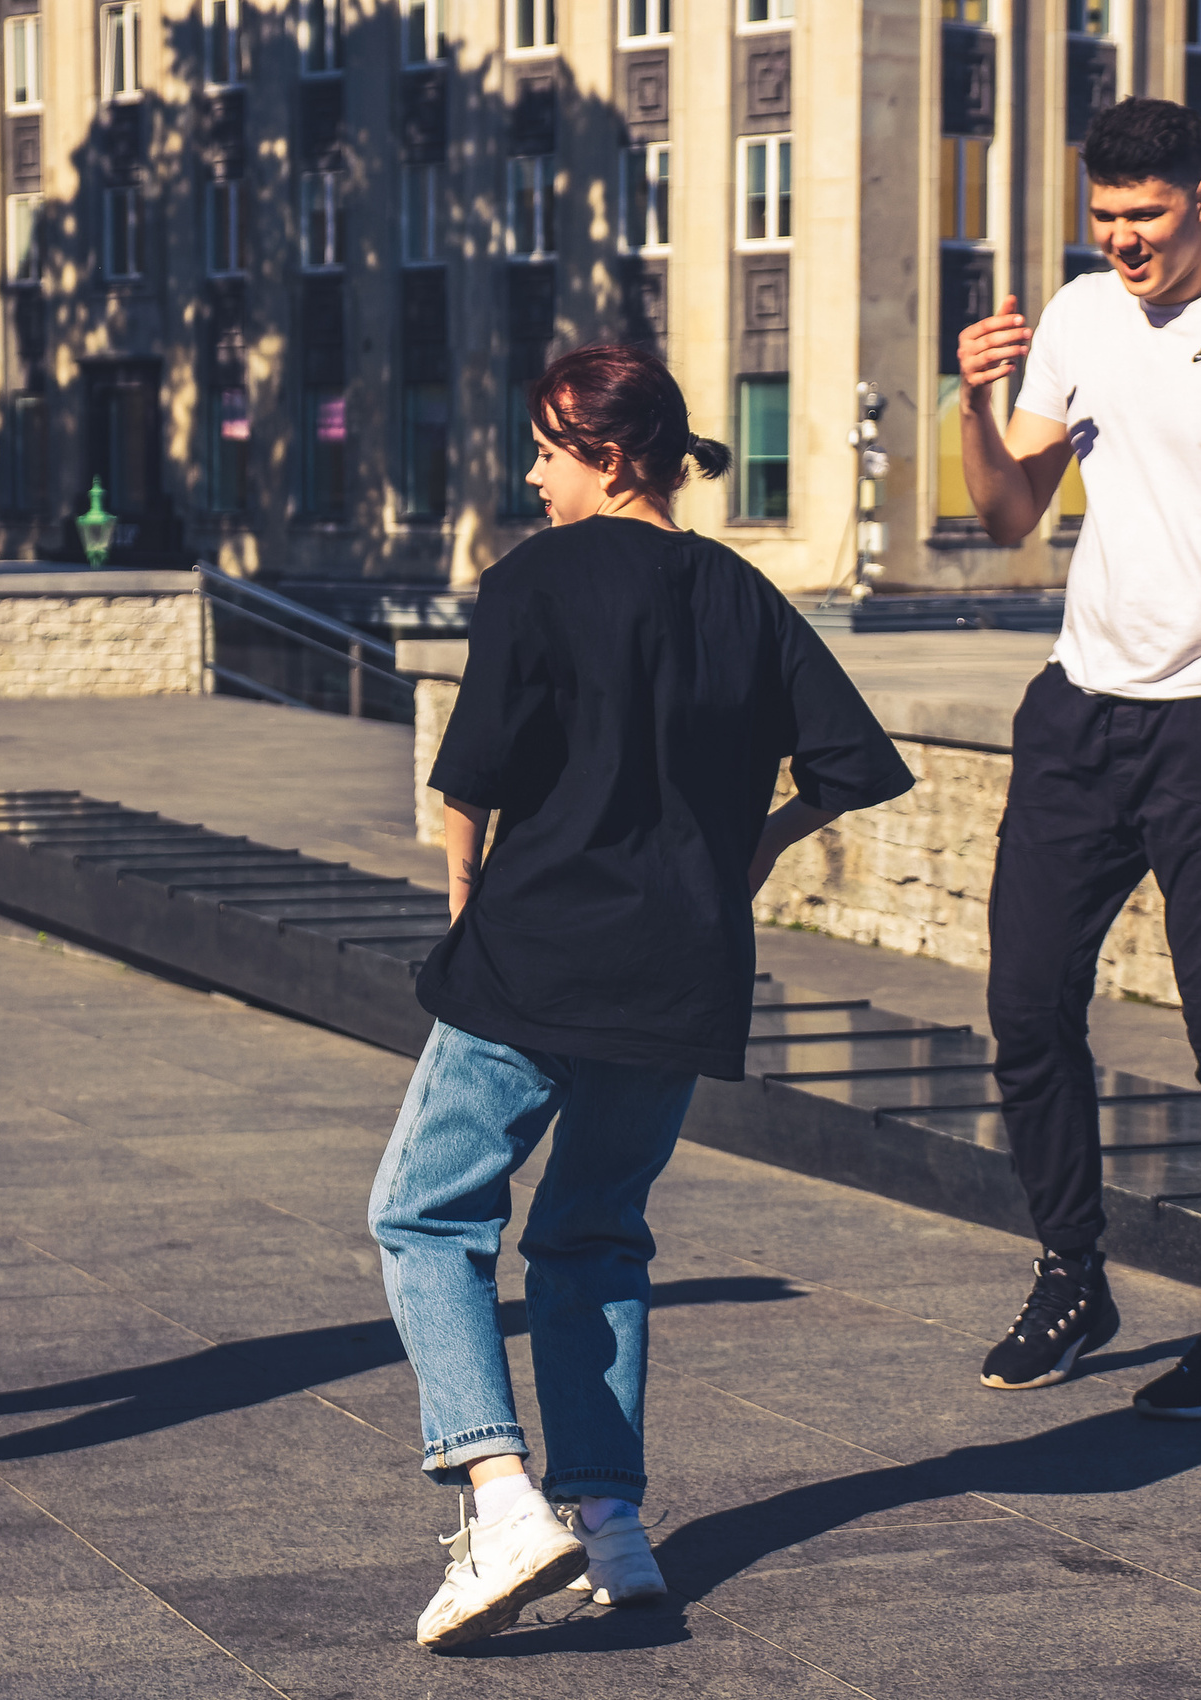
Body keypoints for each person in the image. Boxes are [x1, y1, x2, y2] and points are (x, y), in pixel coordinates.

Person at [371, 343, 914, 1650]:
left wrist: (464, 900)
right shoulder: (744, 596)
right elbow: (850, 764)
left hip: (539, 954)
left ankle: (501, 1498)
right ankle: (611, 1527)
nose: (533, 473)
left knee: (424, 1215)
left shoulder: (531, 583)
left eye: (548, 449)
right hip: (680, 971)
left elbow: (472, 779)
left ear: (609, 455)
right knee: (595, 1235)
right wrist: (758, 848)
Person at [952, 98, 1201, 1416]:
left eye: (1148, 215)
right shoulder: (1077, 317)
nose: (1124, 241)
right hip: (1080, 710)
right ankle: (1075, 1270)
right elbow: (1012, 513)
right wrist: (973, 401)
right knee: (1026, 1008)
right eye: (1106, 218)